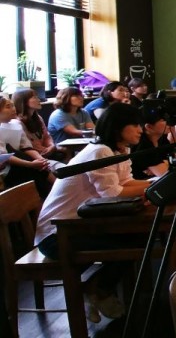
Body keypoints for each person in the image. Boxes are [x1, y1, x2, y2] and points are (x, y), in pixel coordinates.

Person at [35, 103, 152, 322]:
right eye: (135, 124)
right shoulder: (100, 151)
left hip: (81, 225)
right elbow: (113, 193)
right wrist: (152, 186)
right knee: (133, 244)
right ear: (117, 127)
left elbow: (126, 182)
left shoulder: (119, 150)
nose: (140, 129)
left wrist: (153, 184)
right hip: (56, 235)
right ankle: (97, 290)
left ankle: (98, 289)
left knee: (141, 237)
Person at [0, 96, 56, 197]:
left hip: (18, 164)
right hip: (7, 167)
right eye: (8, 106)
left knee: (38, 167)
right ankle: (54, 190)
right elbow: (4, 155)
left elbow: (26, 147)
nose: (13, 109)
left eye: (13, 105)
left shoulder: (16, 124)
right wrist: (30, 164)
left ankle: (52, 192)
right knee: (29, 167)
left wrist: (41, 160)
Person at [12, 88, 63, 160]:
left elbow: (46, 136)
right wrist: (46, 150)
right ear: (24, 101)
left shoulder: (38, 118)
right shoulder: (17, 122)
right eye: (35, 97)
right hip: (33, 157)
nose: (39, 100)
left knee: (64, 151)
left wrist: (51, 146)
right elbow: (27, 145)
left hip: (45, 151)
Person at [131, 105, 176, 179]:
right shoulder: (143, 146)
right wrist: (166, 164)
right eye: (163, 120)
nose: (168, 122)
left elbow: (174, 158)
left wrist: (165, 163)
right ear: (149, 127)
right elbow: (166, 174)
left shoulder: (162, 139)